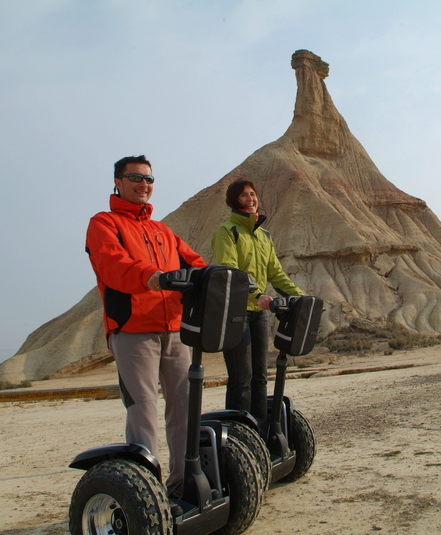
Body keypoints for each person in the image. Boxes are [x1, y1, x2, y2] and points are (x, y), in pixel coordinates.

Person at [85, 155, 206, 496]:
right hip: (133, 331)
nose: (144, 184)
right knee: (143, 412)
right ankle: (146, 493)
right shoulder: (104, 223)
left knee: (184, 408)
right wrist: (152, 277)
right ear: (118, 182)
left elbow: (194, 262)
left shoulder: (162, 230)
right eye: (136, 177)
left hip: (174, 330)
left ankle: (184, 486)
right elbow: (113, 264)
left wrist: (211, 276)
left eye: (149, 179)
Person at [211, 179, 303, 425]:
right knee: (242, 376)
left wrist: (301, 297)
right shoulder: (227, 231)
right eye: (244, 196)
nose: (250, 199)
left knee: (260, 376)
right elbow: (230, 271)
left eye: (253, 194)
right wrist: (256, 295)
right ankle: (241, 434)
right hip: (235, 311)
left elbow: (275, 273)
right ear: (234, 201)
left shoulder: (264, 236)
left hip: (259, 314)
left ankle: (261, 431)